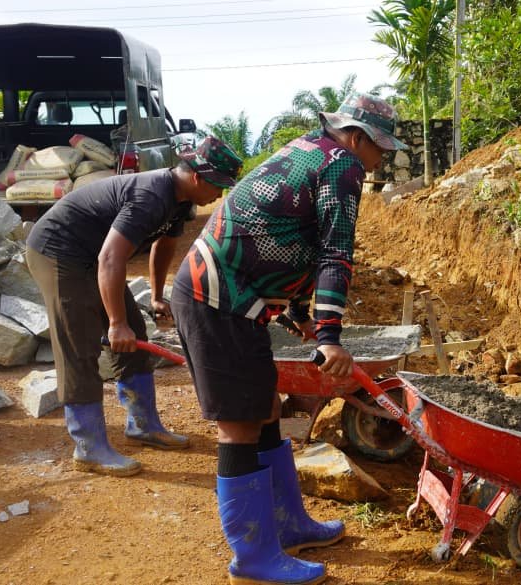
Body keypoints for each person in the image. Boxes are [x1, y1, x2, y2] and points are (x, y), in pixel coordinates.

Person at [170, 93, 408, 585]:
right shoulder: (342, 165)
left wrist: (299, 312)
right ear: (357, 138)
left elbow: (288, 234)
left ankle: (288, 524)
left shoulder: (311, 151)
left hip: (238, 301)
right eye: (380, 149)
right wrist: (329, 335)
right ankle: (253, 558)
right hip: (217, 299)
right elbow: (334, 253)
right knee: (239, 426)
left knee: (266, 411)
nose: (381, 160)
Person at [26, 136, 242, 477]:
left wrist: (155, 297)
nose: (220, 194)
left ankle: (143, 426)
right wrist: (115, 323)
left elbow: (164, 246)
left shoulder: (181, 200)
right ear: (197, 177)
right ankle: (89, 447)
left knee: (135, 335)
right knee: (79, 344)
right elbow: (111, 258)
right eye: (219, 185)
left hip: (93, 255)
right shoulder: (151, 196)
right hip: (58, 250)